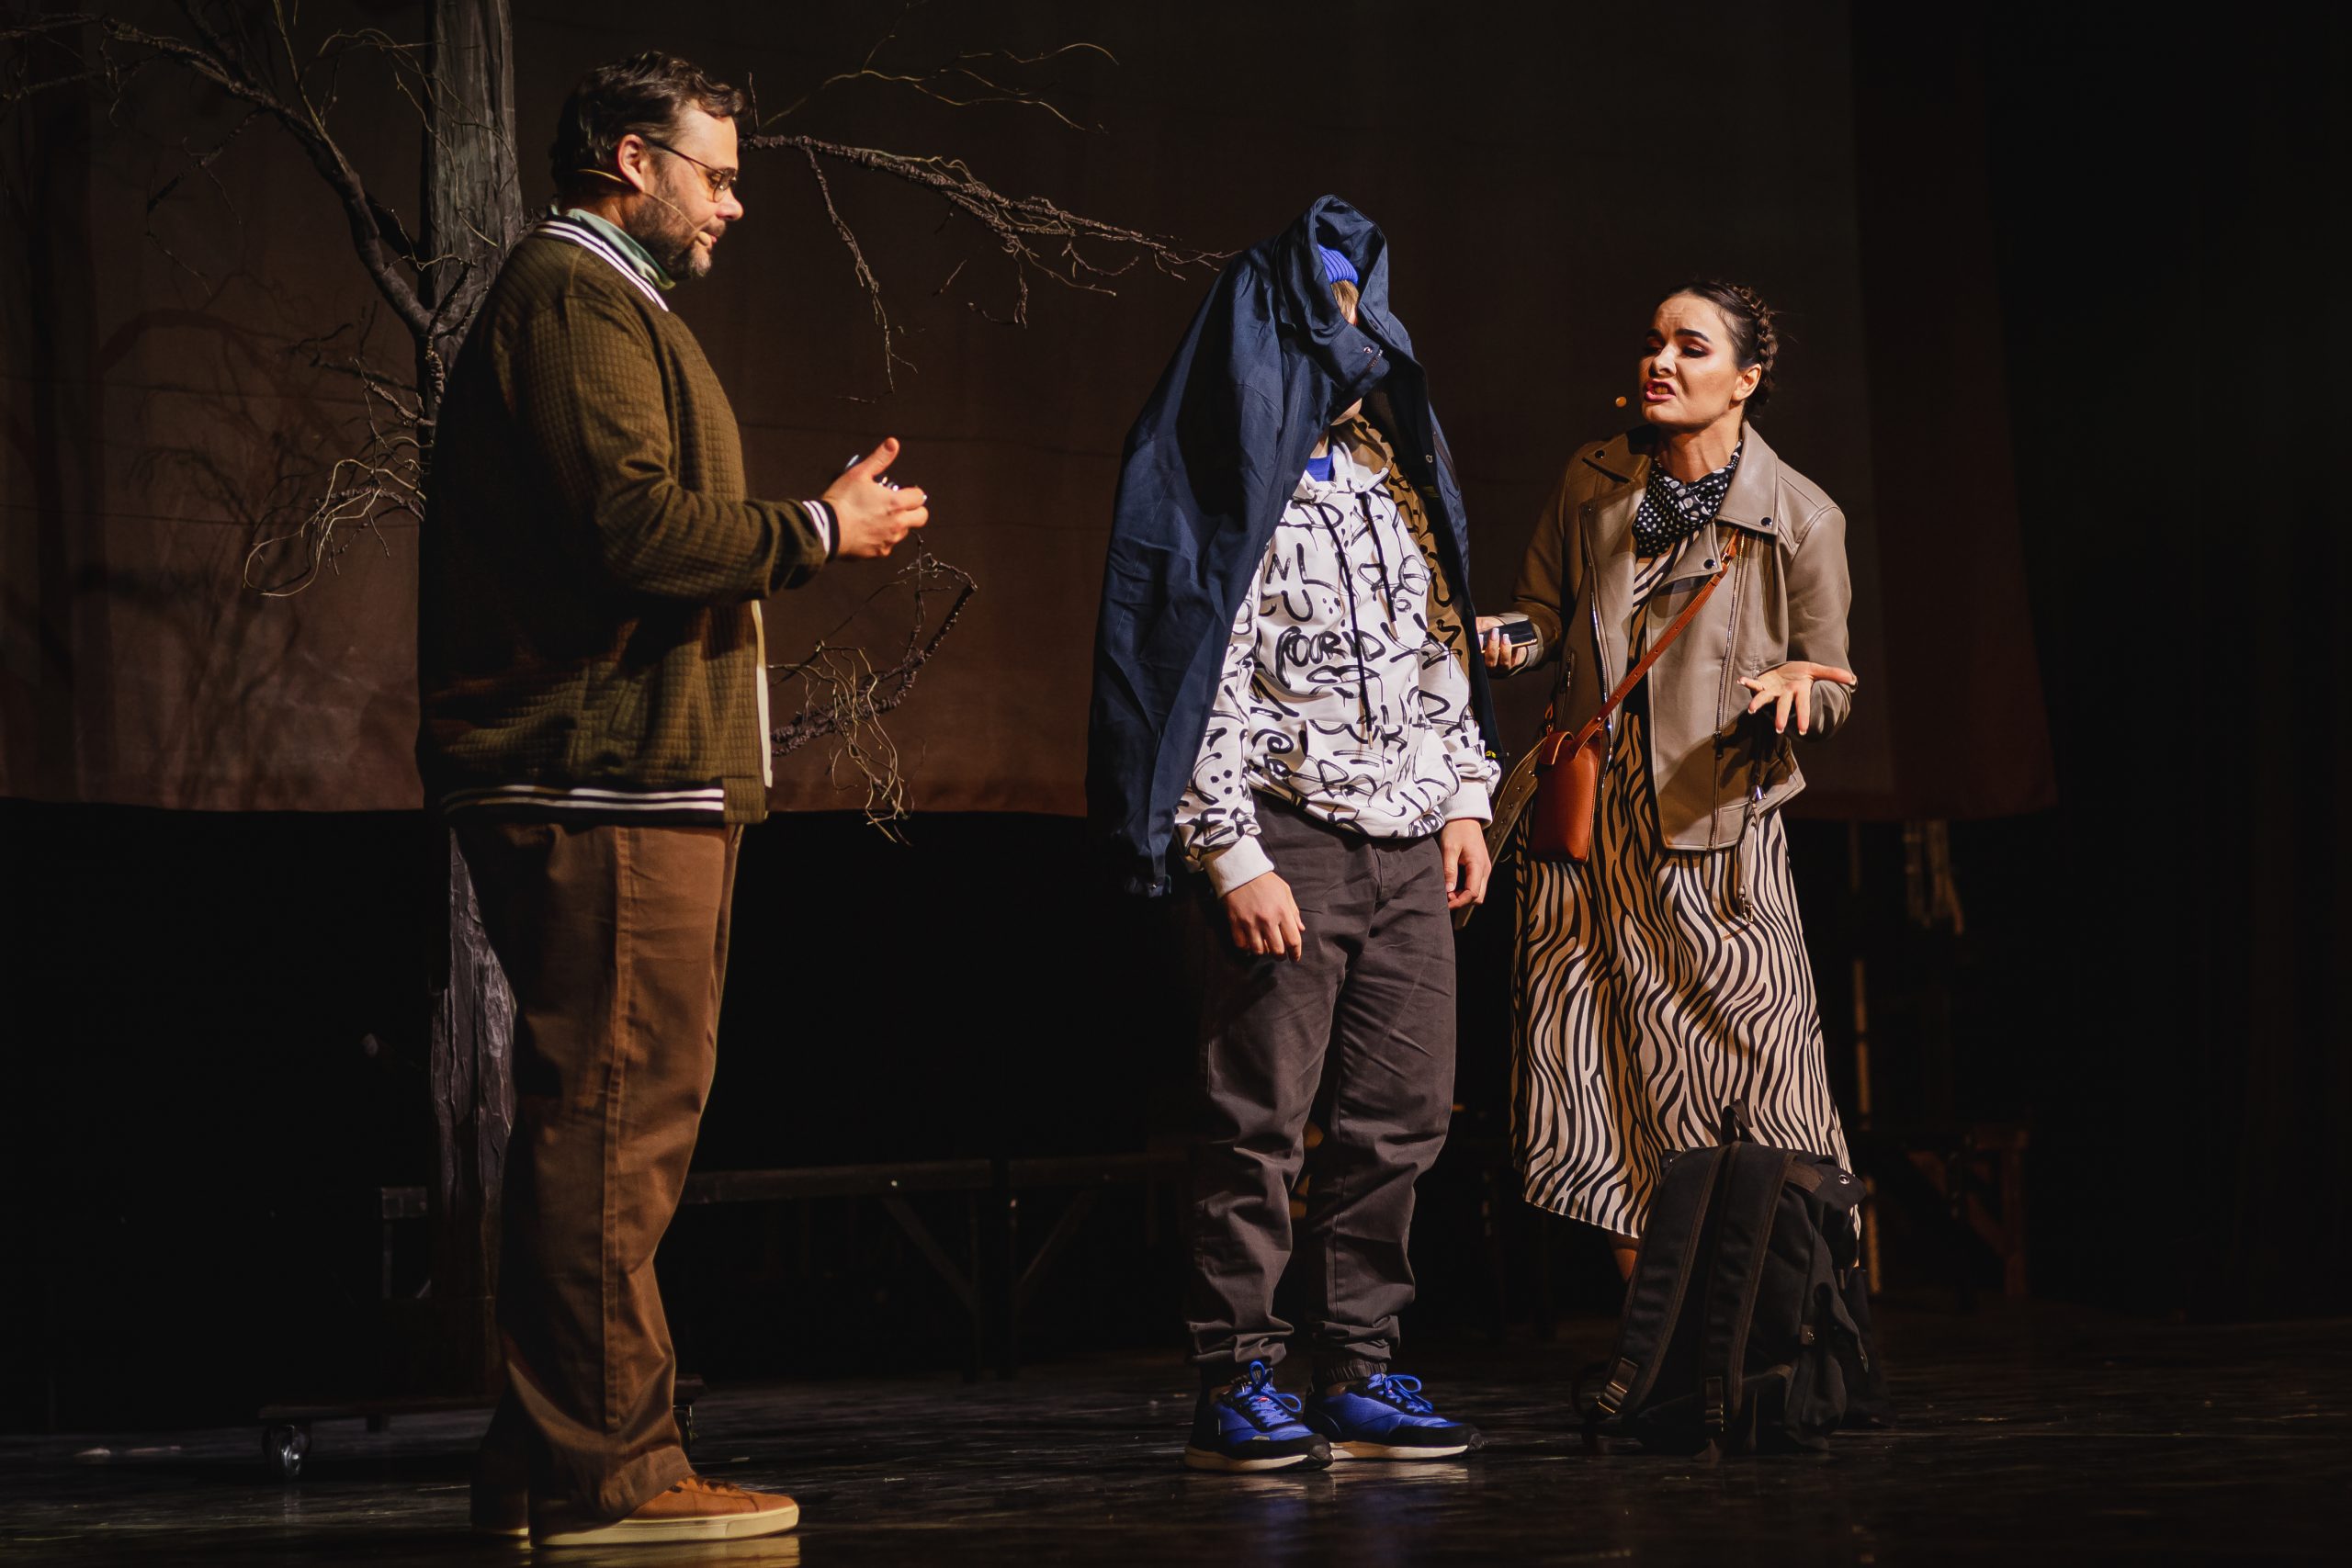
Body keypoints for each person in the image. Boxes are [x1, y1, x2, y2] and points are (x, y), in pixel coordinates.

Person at [418, 51, 929, 1549]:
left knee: (610, 1109)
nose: (732, 204)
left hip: (632, 774)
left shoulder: (605, 305)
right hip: (603, 776)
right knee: (614, 1118)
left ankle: (542, 1460)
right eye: (715, 175)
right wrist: (818, 527)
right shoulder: (573, 300)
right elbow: (635, 529)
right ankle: (613, 1473)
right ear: (630, 161)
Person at [1090, 198, 1497, 1472]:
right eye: (1328, 303)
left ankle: (1359, 1364)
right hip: (1286, 833)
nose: (1352, 325)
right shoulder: (1230, 460)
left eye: (1362, 300)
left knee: (1401, 1116)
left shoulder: (1389, 464)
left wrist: (1465, 796)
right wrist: (1230, 850)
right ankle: (1239, 1372)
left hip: (1406, 837)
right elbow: (1191, 663)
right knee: (1258, 1119)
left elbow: (1436, 644)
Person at [1477, 281, 1858, 1280]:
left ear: (1745, 379)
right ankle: (1652, 1341)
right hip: (1592, 828)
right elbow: (1542, 611)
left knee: (1762, 1077)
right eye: (1653, 342)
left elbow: (1833, 681)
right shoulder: (1593, 477)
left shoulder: (1800, 515)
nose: (1660, 361)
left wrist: (1798, 689)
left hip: (1717, 827)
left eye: (1691, 347)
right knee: (1607, 1079)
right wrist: (1506, 639)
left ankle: (1779, 1314)